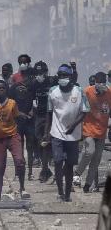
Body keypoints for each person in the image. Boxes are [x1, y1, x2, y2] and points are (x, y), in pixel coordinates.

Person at [46, 64, 90, 202]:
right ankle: (60, 192)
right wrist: (46, 133)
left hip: (73, 135)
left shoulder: (79, 91)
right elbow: (49, 113)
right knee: (58, 161)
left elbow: (84, 112)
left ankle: (67, 194)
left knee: (69, 165)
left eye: (64, 75)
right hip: (57, 133)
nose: (62, 78)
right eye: (60, 75)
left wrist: (74, 125)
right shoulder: (53, 91)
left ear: (70, 77)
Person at [0, 80, 30, 201]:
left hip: (12, 136)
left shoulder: (12, 103)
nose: (1, 90)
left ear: (7, 90)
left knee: (20, 161)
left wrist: (26, 118)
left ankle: (22, 188)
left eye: (3, 88)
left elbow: (17, 116)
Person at [73, 72, 111, 192]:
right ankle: (77, 172)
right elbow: (78, 109)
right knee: (89, 151)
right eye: (99, 83)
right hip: (88, 128)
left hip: (102, 130)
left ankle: (88, 184)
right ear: (95, 83)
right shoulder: (87, 92)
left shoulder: (109, 93)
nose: (102, 85)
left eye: (103, 83)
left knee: (97, 159)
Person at [32, 61, 56, 183]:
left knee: (49, 142)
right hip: (39, 116)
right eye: (36, 73)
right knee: (40, 142)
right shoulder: (34, 84)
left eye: (41, 73)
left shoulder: (53, 81)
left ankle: (47, 170)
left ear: (46, 72)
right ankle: (46, 169)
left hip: (52, 115)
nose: (38, 75)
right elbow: (31, 98)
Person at [9, 75, 37, 180]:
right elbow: (11, 107)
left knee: (29, 148)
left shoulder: (31, 91)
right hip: (19, 122)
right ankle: (18, 172)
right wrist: (22, 114)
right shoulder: (13, 91)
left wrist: (31, 113)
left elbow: (34, 106)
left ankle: (29, 172)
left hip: (29, 123)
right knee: (18, 148)